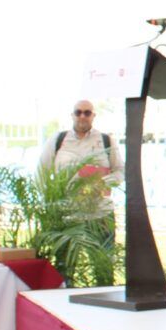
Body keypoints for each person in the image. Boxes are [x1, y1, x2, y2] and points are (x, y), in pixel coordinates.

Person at [37, 99, 124, 243]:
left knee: (103, 257)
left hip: (100, 214)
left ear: (93, 116)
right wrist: (47, 203)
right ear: (72, 115)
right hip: (66, 214)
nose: (82, 116)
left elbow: (120, 170)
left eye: (87, 113)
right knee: (64, 258)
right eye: (78, 112)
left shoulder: (106, 140)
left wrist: (102, 183)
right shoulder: (57, 140)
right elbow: (41, 172)